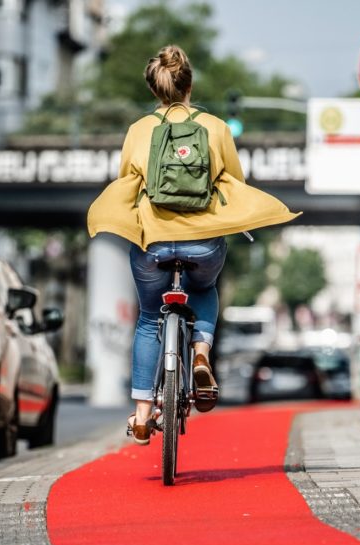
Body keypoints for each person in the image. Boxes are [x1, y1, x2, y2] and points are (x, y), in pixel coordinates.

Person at [87, 44, 299, 445]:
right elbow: (233, 181)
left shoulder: (138, 131)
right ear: (189, 84)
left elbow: (128, 185)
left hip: (152, 245)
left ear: (155, 89)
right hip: (203, 244)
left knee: (150, 318)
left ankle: (144, 414)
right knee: (204, 287)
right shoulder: (216, 127)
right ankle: (201, 352)